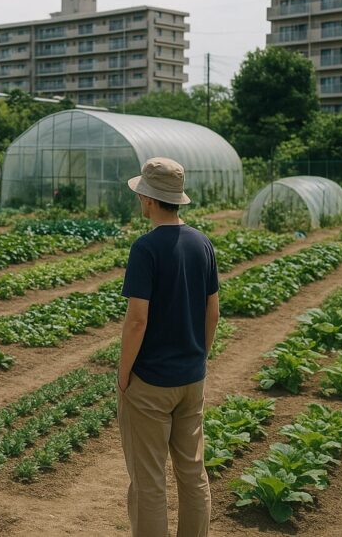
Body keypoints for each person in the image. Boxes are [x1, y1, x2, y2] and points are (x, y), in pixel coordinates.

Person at [117, 157, 220, 537]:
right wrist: (199, 358)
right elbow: (213, 312)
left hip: (151, 384)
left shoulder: (145, 249)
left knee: (149, 482)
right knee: (193, 475)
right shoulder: (202, 243)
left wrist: (124, 373)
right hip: (192, 381)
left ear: (147, 198)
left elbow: (137, 320)